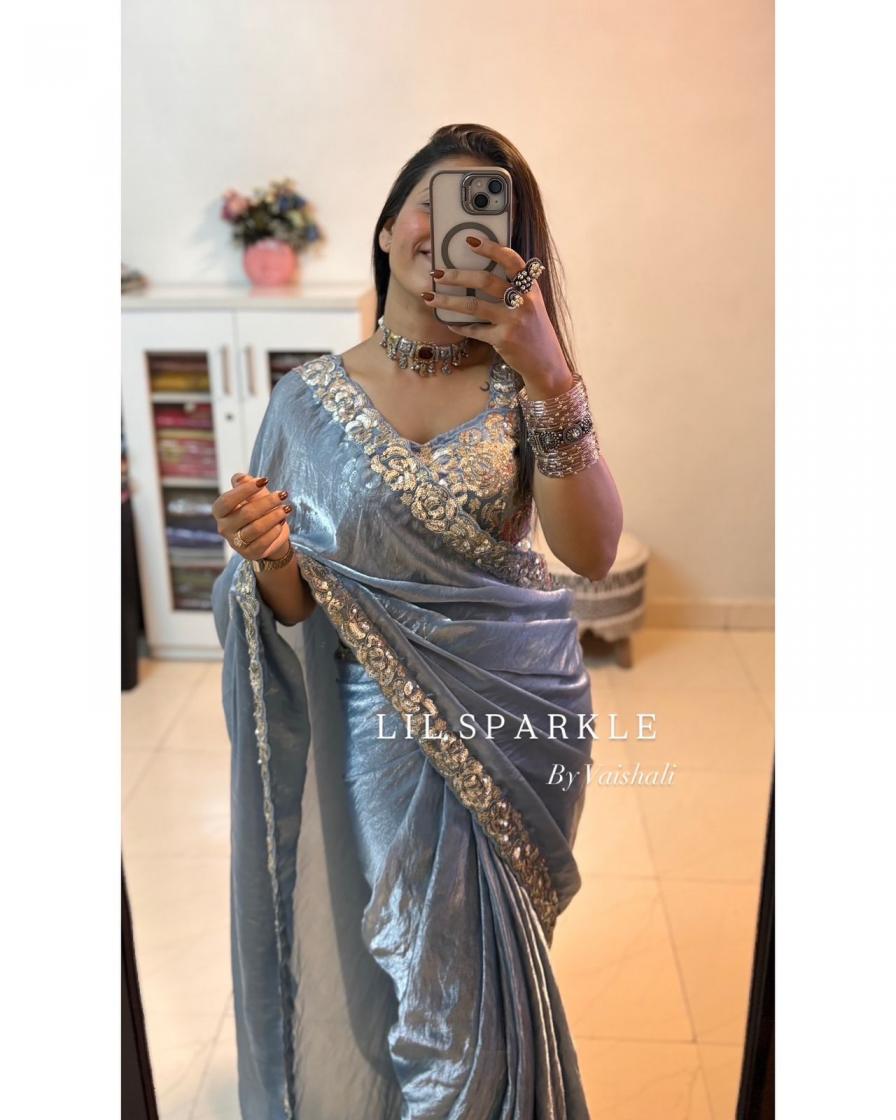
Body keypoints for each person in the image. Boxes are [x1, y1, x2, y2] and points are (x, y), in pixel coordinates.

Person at [211, 122, 624, 1120]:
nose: (451, 235)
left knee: (487, 969)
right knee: (420, 971)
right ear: (389, 227)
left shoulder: (523, 384)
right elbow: (294, 607)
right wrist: (269, 561)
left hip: (520, 713)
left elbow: (591, 551)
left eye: (486, 221)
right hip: (379, 735)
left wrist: (549, 375)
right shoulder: (305, 405)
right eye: (432, 207)